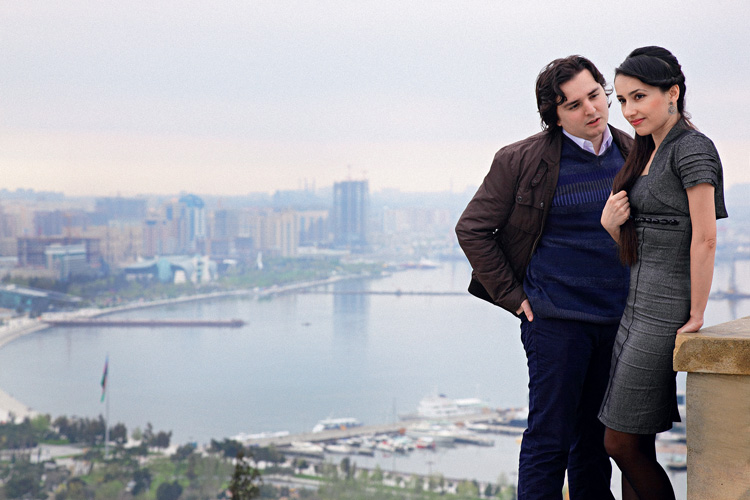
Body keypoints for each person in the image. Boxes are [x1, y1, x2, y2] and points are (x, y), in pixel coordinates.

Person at [455, 55, 633, 499]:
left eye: (594, 96)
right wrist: (513, 296)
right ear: (554, 116)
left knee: (595, 443)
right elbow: (472, 229)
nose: (590, 110)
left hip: (617, 320)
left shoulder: (634, 152)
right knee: (549, 439)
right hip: (555, 321)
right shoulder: (520, 160)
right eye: (573, 105)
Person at [599, 46, 728, 500]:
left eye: (639, 97)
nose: (629, 110)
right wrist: (611, 227)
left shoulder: (691, 148)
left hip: (663, 313)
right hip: (634, 307)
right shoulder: (647, 150)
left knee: (618, 443)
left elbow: (705, 237)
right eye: (622, 100)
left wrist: (696, 313)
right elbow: (646, 241)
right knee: (635, 443)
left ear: (672, 93)